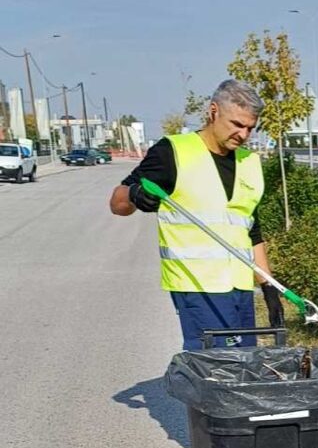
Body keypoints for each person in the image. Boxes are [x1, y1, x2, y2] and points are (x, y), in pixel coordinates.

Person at [109, 79, 284, 350]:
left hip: (239, 287)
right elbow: (117, 203)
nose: (244, 135)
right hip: (196, 285)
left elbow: (251, 230)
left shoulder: (249, 163)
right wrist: (134, 196)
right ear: (213, 112)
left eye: (250, 128)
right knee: (214, 367)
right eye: (237, 124)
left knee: (245, 361)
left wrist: (269, 286)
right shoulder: (173, 152)